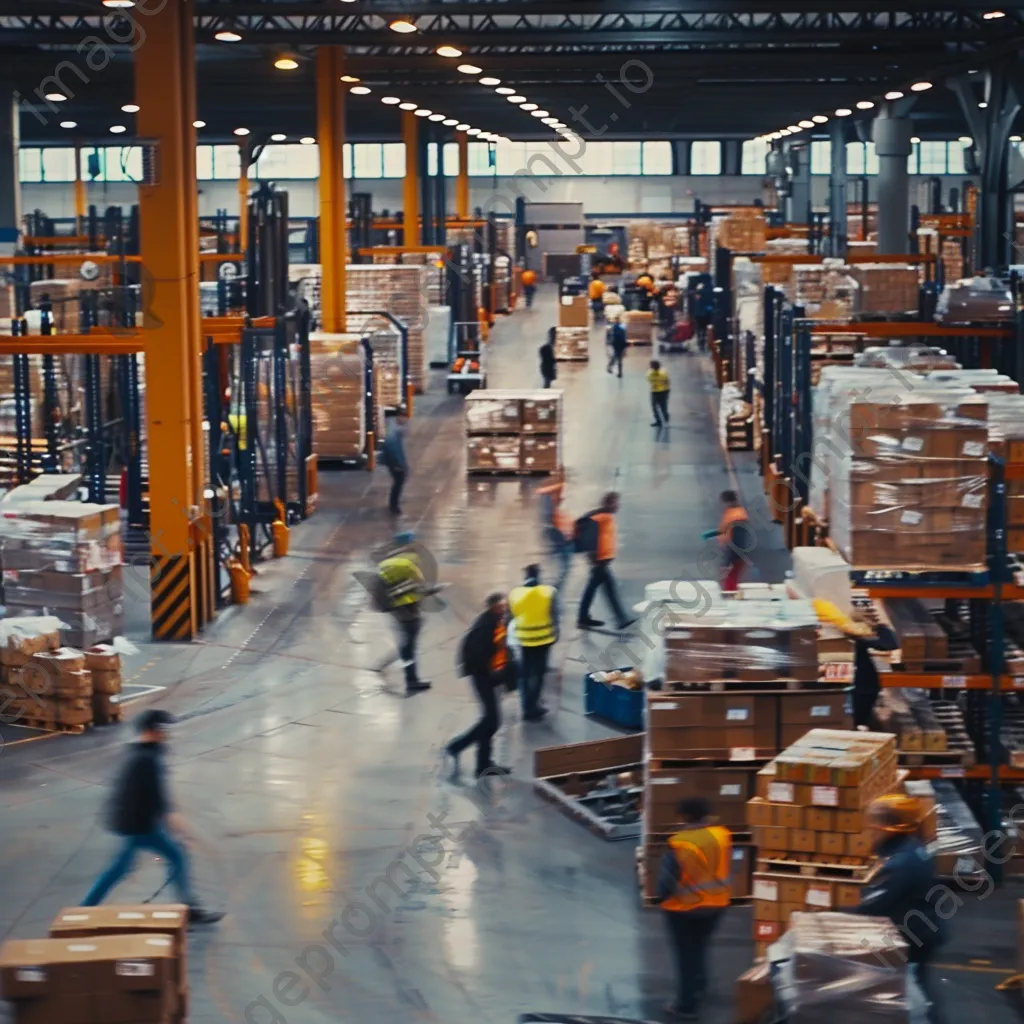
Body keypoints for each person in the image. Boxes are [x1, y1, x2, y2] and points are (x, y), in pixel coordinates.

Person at [82, 709, 224, 924]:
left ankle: (85, 909)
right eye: (161, 728)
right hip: (139, 825)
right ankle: (83, 910)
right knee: (171, 857)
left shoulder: (142, 754)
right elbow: (160, 800)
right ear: (151, 731)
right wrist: (179, 827)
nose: (165, 732)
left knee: (124, 867)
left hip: (138, 823)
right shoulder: (147, 759)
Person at [854, 795, 947, 1024]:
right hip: (922, 928)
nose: (870, 830)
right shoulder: (913, 847)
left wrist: (835, 916)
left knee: (914, 994)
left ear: (889, 827)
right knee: (918, 989)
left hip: (913, 935)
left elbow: (876, 904)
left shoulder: (901, 863)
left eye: (873, 823)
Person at [657, 796, 731, 1020]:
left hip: (684, 909)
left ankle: (686, 1005)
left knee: (686, 955)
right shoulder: (722, 835)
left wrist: (661, 897)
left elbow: (667, 880)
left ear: (685, 816)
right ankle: (700, 985)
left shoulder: (680, 842)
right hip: (717, 904)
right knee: (700, 947)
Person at [446, 594, 512, 780]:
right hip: (483, 677)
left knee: (491, 721)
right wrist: (492, 674)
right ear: (492, 606)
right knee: (491, 720)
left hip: (491, 677)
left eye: (504, 605)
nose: (504, 608)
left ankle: (482, 764)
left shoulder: (498, 622)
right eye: (501, 606)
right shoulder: (485, 626)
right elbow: (478, 655)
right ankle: (457, 747)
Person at [813, 599, 898, 727]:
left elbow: (889, 644)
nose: (868, 614)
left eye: (870, 612)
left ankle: (860, 724)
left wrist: (870, 633)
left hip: (865, 683)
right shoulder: (844, 631)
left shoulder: (874, 632)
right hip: (847, 684)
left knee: (861, 713)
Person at [376, 532, 432, 694]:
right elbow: (420, 585)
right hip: (409, 609)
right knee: (409, 646)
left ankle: (407, 675)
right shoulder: (410, 562)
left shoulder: (386, 563)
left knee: (407, 644)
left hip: (396, 609)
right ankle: (411, 680)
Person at [577, 491, 634, 631]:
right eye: (615, 502)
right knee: (608, 590)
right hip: (599, 561)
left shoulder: (606, 517)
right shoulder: (599, 518)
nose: (618, 506)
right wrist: (593, 558)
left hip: (602, 561)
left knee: (596, 589)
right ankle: (620, 619)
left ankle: (584, 618)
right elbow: (590, 539)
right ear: (608, 503)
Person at [509, 564, 558, 722]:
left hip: (524, 639)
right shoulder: (548, 592)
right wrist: (556, 632)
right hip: (544, 639)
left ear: (525, 576)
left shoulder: (514, 594)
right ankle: (533, 705)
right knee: (539, 673)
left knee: (525, 673)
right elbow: (554, 615)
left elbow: (510, 618)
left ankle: (526, 706)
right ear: (538, 575)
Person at [705, 490, 752, 593]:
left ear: (727, 501)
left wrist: (728, 561)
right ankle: (731, 595)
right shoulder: (734, 513)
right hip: (735, 552)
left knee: (729, 581)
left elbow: (737, 539)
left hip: (734, 553)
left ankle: (731, 598)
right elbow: (728, 530)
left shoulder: (736, 516)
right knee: (730, 580)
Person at [537, 473, 574, 592]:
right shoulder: (547, 500)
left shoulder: (550, 503)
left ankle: (552, 586)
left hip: (558, 534)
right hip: (557, 534)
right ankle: (553, 588)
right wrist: (561, 484)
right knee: (563, 565)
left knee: (558, 562)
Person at [380, 413, 409, 516]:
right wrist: (399, 464)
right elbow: (394, 450)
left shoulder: (396, 430)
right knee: (398, 482)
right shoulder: (394, 432)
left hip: (394, 461)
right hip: (394, 463)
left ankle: (393, 503)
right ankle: (394, 505)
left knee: (398, 482)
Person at [648, 360, 670, 428]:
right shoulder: (664, 372)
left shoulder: (650, 373)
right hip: (664, 391)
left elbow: (649, 380)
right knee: (663, 406)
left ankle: (658, 421)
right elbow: (667, 381)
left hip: (655, 392)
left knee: (654, 406)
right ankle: (666, 418)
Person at [693, 282, 714, 351]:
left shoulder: (697, 294)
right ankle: (703, 341)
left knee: (700, 329)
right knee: (704, 329)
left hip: (699, 314)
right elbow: (709, 306)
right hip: (705, 314)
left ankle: (701, 342)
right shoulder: (708, 294)